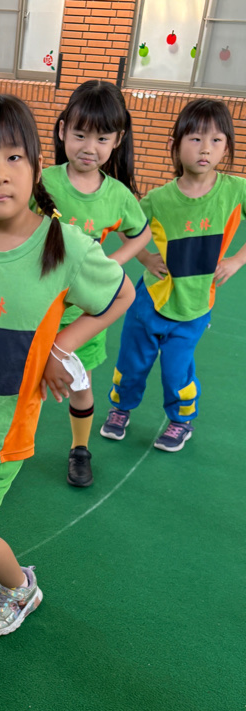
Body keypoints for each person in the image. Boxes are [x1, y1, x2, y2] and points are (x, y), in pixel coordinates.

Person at [0, 93, 134, 637]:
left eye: (13, 157)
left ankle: (19, 587)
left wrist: (60, 348)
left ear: (36, 167)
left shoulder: (67, 246)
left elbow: (121, 295)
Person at [100, 98, 246, 452]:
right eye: (195, 139)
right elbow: (127, 225)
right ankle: (120, 410)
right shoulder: (158, 199)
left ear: (227, 147)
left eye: (216, 140)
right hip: (149, 301)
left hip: (195, 306)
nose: (205, 149)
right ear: (176, 144)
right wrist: (145, 258)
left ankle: (181, 421)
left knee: (177, 371)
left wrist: (237, 260)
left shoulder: (235, 190)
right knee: (131, 363)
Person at [39, 80, 151, 487]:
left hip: (87, 315)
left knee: (80, 386)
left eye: (102, 138)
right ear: (62, 130)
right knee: (23, 383)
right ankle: (6, 443)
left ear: (117, 140)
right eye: (80, 134)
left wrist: (111, 263)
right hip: (38, 308)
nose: (90, 146)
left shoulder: (118, 195)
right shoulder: (42, 181)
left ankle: (80, 449)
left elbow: (141, 233)